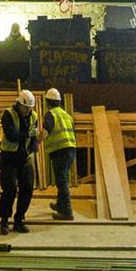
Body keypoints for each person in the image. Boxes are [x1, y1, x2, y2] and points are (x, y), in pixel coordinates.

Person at [0, 89, 41, 234]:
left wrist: (34, 145)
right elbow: (11, 135)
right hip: (9, 157)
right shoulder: (8, 114)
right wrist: (28, 134)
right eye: (25, 108)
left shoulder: (33, 116)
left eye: (30, 108)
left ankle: (19, 220)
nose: (28, 111)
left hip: (25, 157)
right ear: (19, 104)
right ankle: (4, 221)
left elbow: (34, 135)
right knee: (9, 189)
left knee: (27, 189)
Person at [42, 87, 77, 219]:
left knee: (61, 181)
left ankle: (67, 212)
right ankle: (60, 205)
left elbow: (45, 132)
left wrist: (35, 141)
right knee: (62, 179)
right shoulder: (66, 114)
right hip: (71, 149)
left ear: (47, 102)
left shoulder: (51, 114)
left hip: (60, 151)